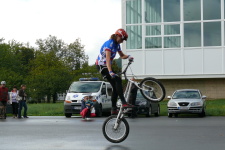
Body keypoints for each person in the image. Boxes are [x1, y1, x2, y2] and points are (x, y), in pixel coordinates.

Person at [96, 28, 134, 115]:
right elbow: (108, 59)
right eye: (122, 39)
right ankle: (123, 102)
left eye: (123, 40)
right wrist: (110, 71)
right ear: (117, 36)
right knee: (118, 80)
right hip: (102, 66)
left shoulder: (117, 45)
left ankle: (113, 109)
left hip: (107, 66)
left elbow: (122, 56)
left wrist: (128, 56)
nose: (122, 41)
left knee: (116, 86)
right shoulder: (109, 44)